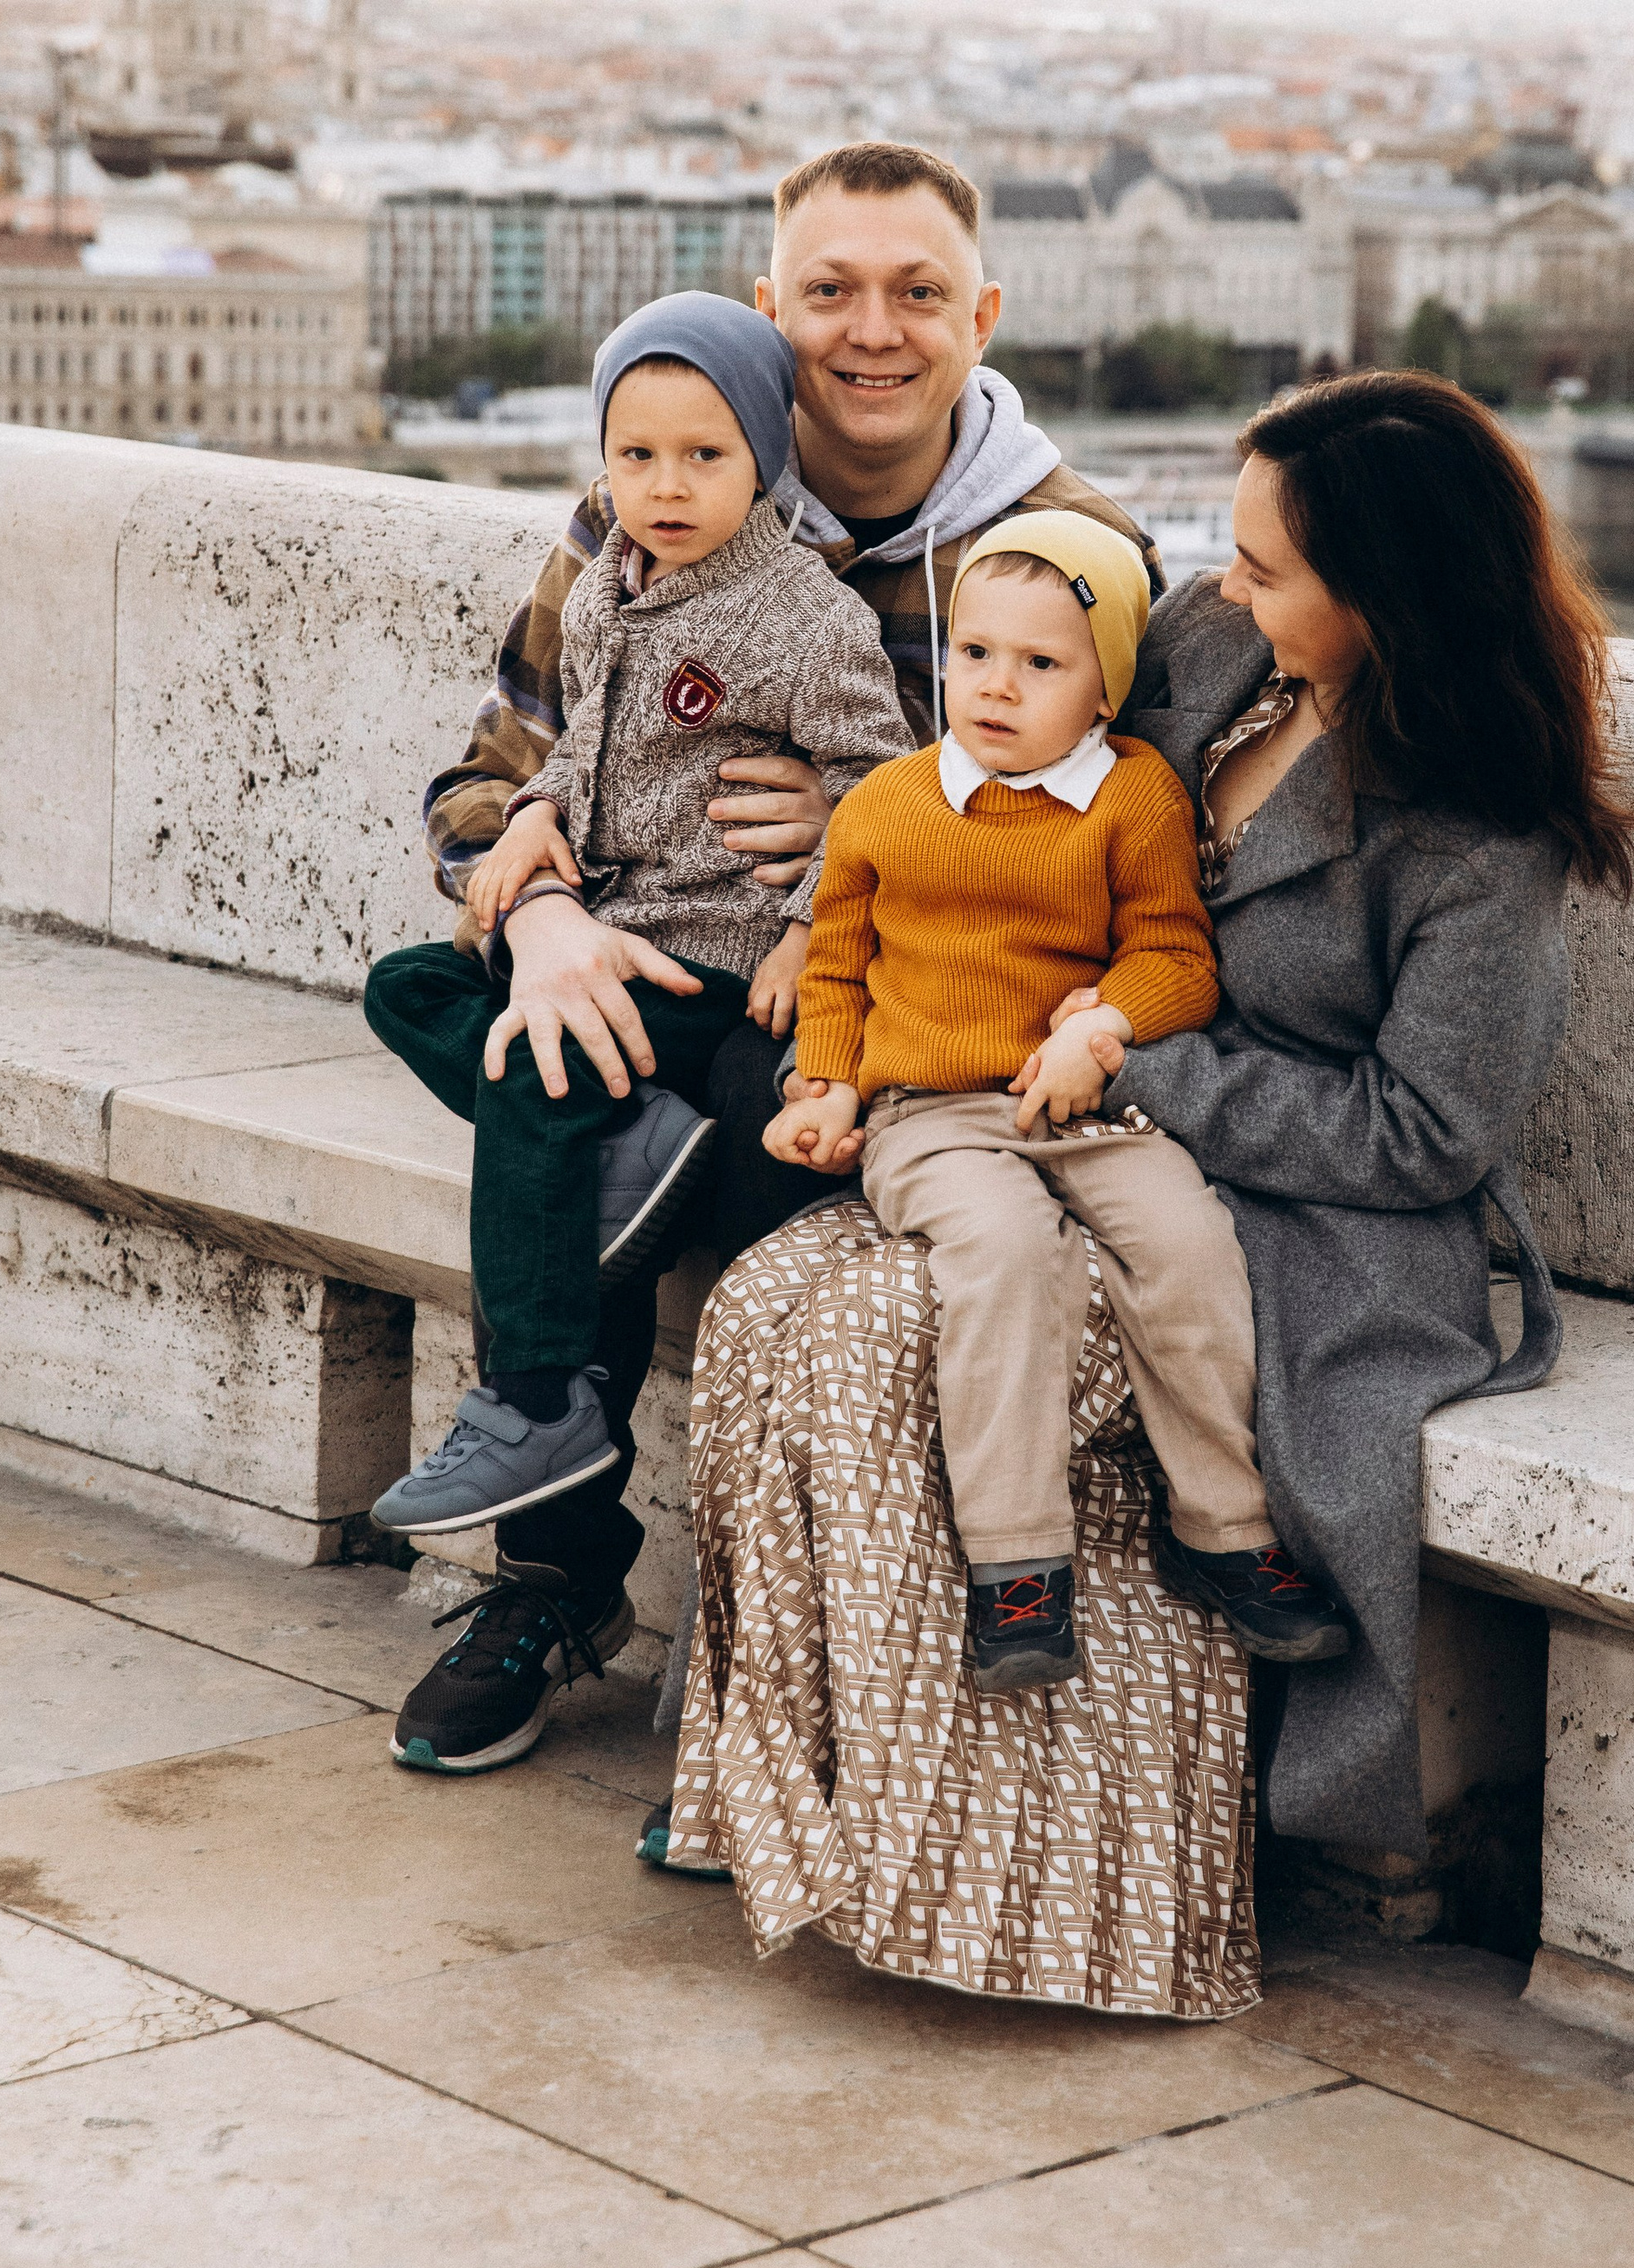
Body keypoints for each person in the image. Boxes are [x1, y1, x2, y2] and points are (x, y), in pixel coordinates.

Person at [661, 369, 1632, 2003]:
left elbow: (1424, 1137)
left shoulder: (1482, 839)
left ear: (1386, 602)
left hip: (1296, 1210)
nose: (1223, 587)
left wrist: (1135, 1066)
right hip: (1036, 1122)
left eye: (1266, 568)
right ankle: (815, 1812)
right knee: (780, 1307)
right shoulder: (1212, 650)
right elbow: (1009, 738)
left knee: (900, 1351)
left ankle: (1057, 1898)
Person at [389, 141, 1156, 1775]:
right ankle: (561, 1582)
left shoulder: (1072, 553)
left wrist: (869, 832)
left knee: (613, 1141)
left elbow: (1117, 871)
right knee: (551, 1046)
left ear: (984, 316)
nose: (871, 332)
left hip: (890, 1043)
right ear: (768, 311)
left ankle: (714, 1662)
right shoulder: (653, 500)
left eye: (917, 294)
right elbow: (481, 785)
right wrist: (535, 913)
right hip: (638, 968)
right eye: (829, 293)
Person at [363, 295, 908, 1637]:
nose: (666, 487)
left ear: (765, 456)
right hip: (596, 930)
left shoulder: (802, 615)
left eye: (705, 458)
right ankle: (637, 1139)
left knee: (541, 1075)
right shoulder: (604, 576)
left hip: (705, 964)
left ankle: (538, 1405)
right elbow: (560, 748)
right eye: (637, 456)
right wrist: (540, 820)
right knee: (412, 990)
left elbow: (890, 790)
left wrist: (806, 924)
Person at [767, 512, 1349, 1693]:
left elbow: (1177, 959)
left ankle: (1225, 1531)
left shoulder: (1134, 799)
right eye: (975, 653)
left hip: (1087, 1103)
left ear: (1104, 687)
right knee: (1007, 1251)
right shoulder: (885, 803)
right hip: (929, 1110)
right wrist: (824, 1084)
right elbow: (834, 962)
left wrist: (1105, 1026)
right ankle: (1018, 1564)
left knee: (1190, 1244)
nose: (996, 687)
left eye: (1042, 664)